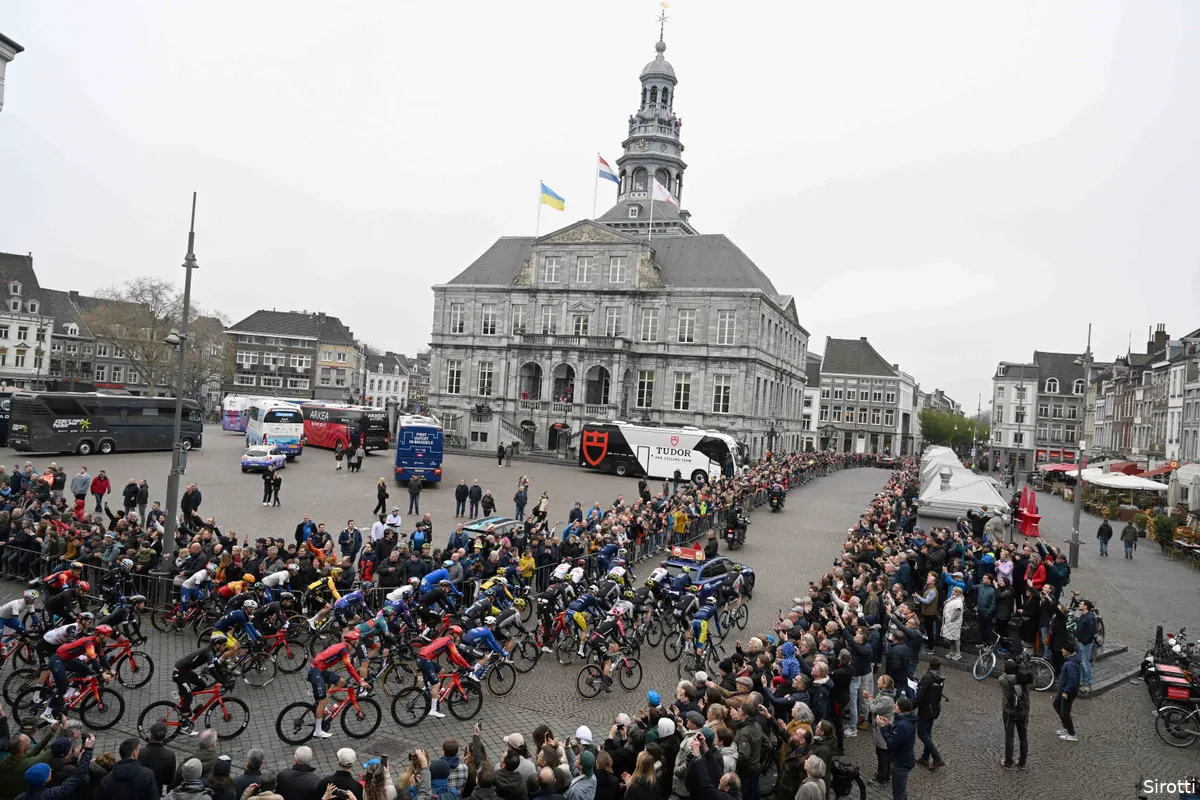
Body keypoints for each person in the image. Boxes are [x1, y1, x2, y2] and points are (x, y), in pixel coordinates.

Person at [15, 734, 94, 800]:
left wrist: (74, 759)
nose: (50, 770)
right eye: (48, 772)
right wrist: (88, 751)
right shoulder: (50, 795)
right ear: (43, 781)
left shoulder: (20, 797)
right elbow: (77, 777)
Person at [877, 696, 916, 800]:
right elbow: (898, 736)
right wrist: (889, 726)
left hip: (900, 762)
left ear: (902, 709)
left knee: (898, 793)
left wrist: (883, 728)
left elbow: (892, 743)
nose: (894, 705)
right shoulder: (906, 720)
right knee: (901, 791)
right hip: (905, 759)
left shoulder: (903, 725)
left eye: (897, 705)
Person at [913, 658, 944, 771]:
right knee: (928, 733)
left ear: (929, 666)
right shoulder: (940, 678)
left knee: (922, 733)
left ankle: (937, 758)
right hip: (934, 708)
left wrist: (912, 705)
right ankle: (925, 758)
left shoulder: (927, 677)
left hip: (925, 709)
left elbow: (920, 694)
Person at [998, 659, 1029, 770]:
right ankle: (1022, 762)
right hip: (1023, 711)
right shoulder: (1024, 679)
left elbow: (1002, 676)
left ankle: (1008, 762)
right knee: (1023, 737)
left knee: (1009, 737)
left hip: (1009, 712)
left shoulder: (1003, 680)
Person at [138, 722, 176, 795]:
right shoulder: (170, 755)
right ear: (165, 737)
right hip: (156, 791)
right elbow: (168, 780)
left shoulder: (139, 753)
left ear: (150, 735)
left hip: (139, 789)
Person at [1055, 642, 1081, 742]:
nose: (1062, 650)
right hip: (1063, 689)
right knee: (1056, 704)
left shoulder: (1071, 664)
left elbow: (1073, 680)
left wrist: (1066, 691)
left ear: (1068, 652)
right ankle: (1066, 727)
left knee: (1065, 712)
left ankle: (1071, 733)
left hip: (1068, 691)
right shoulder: (1070, 660)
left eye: (1064, 649)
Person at [1074, 600, 1096, 694]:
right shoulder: (1083, 615)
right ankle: (1083, 681)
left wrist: (1084, 641)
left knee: (1086, 664)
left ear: (1086, 606)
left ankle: (1087, 684)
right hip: (1080, 642)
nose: (1079, 605)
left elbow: (1091, 632)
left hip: (1085, 644)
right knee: (1082, 663)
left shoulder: (1090, 617)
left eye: (1081, 604)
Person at [941, 587, 964, 661]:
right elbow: (945, 604)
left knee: (956, 638)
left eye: (953, 590)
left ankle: (958, 654)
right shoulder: (952, 599)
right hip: (950, 622)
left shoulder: (959, 602)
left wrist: (951, 620)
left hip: (954, 623)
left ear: (957, 593)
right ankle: (952, 652)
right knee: (951, 638)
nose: (952, 591)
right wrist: (948, 600)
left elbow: (957, 613)